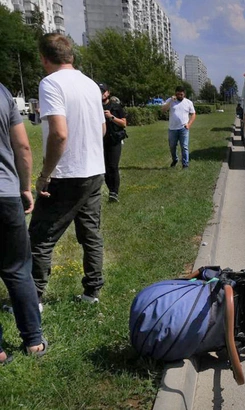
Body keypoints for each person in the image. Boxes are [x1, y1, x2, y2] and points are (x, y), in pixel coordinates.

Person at [29, 33, 107, 307]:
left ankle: (34, 298)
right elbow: (102, 128)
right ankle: (92, 293)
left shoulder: (50, 83)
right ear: (70, 56)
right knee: (90, 234)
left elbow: (59, 134)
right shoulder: (89, 85)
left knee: (40, 237)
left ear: (44, 58)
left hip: (66, 173)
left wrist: (44, 175)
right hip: (94, 170)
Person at [0, 82, 48, 364]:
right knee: (18, 268)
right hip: (6, 193)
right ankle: (33, 342)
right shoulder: (3, 93)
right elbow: (22, 146)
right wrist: (26, 187)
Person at [99, 83, 127, 202]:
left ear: (108, 93)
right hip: (100, 141)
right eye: (99, 91)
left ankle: (114, 192)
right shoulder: (95, 106)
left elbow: (124, 123)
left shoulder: (115, 106)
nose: (101, 93)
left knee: (113, 166)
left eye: (103, 91)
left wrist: (111, 117)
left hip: (115, 140)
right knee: (104, 168)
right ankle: (111, 190)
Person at [161, 86, 196, 168]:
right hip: (172, 129)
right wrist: (170, 102)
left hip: (184, 128)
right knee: (172, 146)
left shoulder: (188, 102)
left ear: (184, 94)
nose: (180, 96)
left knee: (184, 147)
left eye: (181, 94)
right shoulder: (170, 100)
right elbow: (163, 110)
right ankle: (175, 159)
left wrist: (189, 124)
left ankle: (185, 164)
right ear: (175, 93)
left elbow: (193, 114)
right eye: (178, 94)